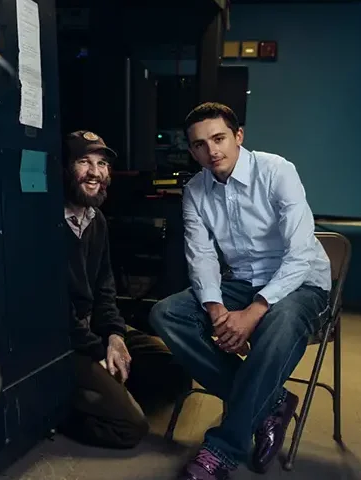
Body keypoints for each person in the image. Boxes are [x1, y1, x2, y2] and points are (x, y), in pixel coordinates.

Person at [148, 103, 331, 479]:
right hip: (242, 282)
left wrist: (253, 313)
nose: (211, 151)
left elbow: (298, 255)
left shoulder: (277, 171)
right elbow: (201, 257)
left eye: (219, 139)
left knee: (278, 323)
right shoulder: (195, 190)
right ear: (191, 150)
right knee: (166, 313)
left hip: (301, 282)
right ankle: (271, 402)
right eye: (199, 145)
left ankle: (223, 448)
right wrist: (217, 312)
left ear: (238, 136)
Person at [60, 130, 190, 449]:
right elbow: (52, 313)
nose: (95, 172)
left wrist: (115, 336)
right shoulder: (43, 222)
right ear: (65, 168)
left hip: (93, 329)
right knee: (130, 429)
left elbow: (105, 290)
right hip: (63, 342)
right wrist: (96, 350)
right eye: (84, 162)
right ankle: (55, 413)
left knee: (178, 371)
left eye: (102, 163)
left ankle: (107, 392)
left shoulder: (97, 220)